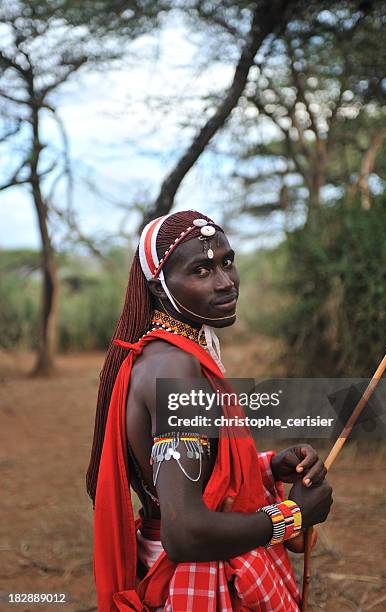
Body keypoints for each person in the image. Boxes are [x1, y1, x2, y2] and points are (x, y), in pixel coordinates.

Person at [86, 210, 333, 611]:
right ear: (160, 288)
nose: (225, 283)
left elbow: (191, 478)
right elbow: (185, 533)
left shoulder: (174, 354)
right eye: (201, 270)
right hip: (197, 584)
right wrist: (292, 516)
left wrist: (267, 467)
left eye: (227, 262)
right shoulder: (175, 369)